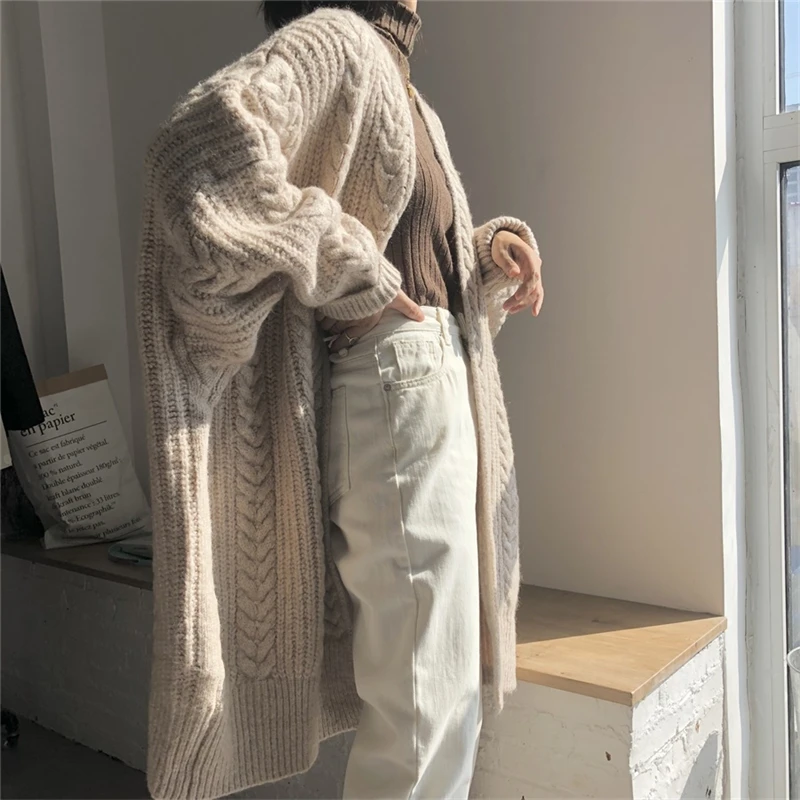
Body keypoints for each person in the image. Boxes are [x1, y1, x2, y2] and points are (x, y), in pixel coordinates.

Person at [136, 1, 543, 798]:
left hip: (429, 388)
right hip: (397, 395)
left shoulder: (402, 82)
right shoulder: (342, 40)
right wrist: (347, 264)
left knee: (438, 705)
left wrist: (483, 255)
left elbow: (406, 258)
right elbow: (190, 159)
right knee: (424, 718)